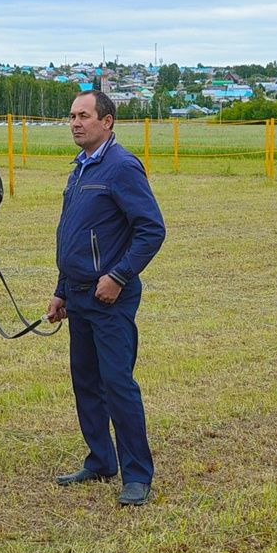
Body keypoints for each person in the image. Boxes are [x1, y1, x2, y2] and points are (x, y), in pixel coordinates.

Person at [46, 90, 166, 506]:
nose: (76, 123)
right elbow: (74, 236)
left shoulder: (121, 167)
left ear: (107, 122)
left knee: (118, 385)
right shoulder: (80, 168)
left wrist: (118, 275)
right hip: (77, 296)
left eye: (85, 116)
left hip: (110, 299)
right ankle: (100, 460)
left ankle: (137, 475)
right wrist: (61, 291)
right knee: (86, 383)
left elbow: (152, 230)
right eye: (72, 116)